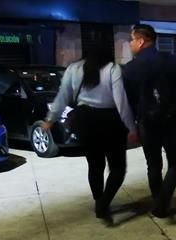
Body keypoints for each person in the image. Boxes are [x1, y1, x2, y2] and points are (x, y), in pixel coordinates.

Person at [43, 46, 137, 225]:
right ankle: (103, 202)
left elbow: (62, 96)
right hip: (110, 122)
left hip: (85, 121)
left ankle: (98, 200)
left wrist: (50, 119)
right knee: (117, 168)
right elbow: (121, 101)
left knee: (95, 164)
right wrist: (131, 127)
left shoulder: (74, 68)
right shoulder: (112, 69)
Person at [122, 24, 176, 218]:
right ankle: (162, 202)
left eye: (131, 40)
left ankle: (158, 199)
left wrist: (130, 126)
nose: (130, 44)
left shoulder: (130, 68)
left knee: (153, 164)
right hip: (170, 119)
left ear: (141, 41)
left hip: (146, 122)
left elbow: (128, 102)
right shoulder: (170, 60)